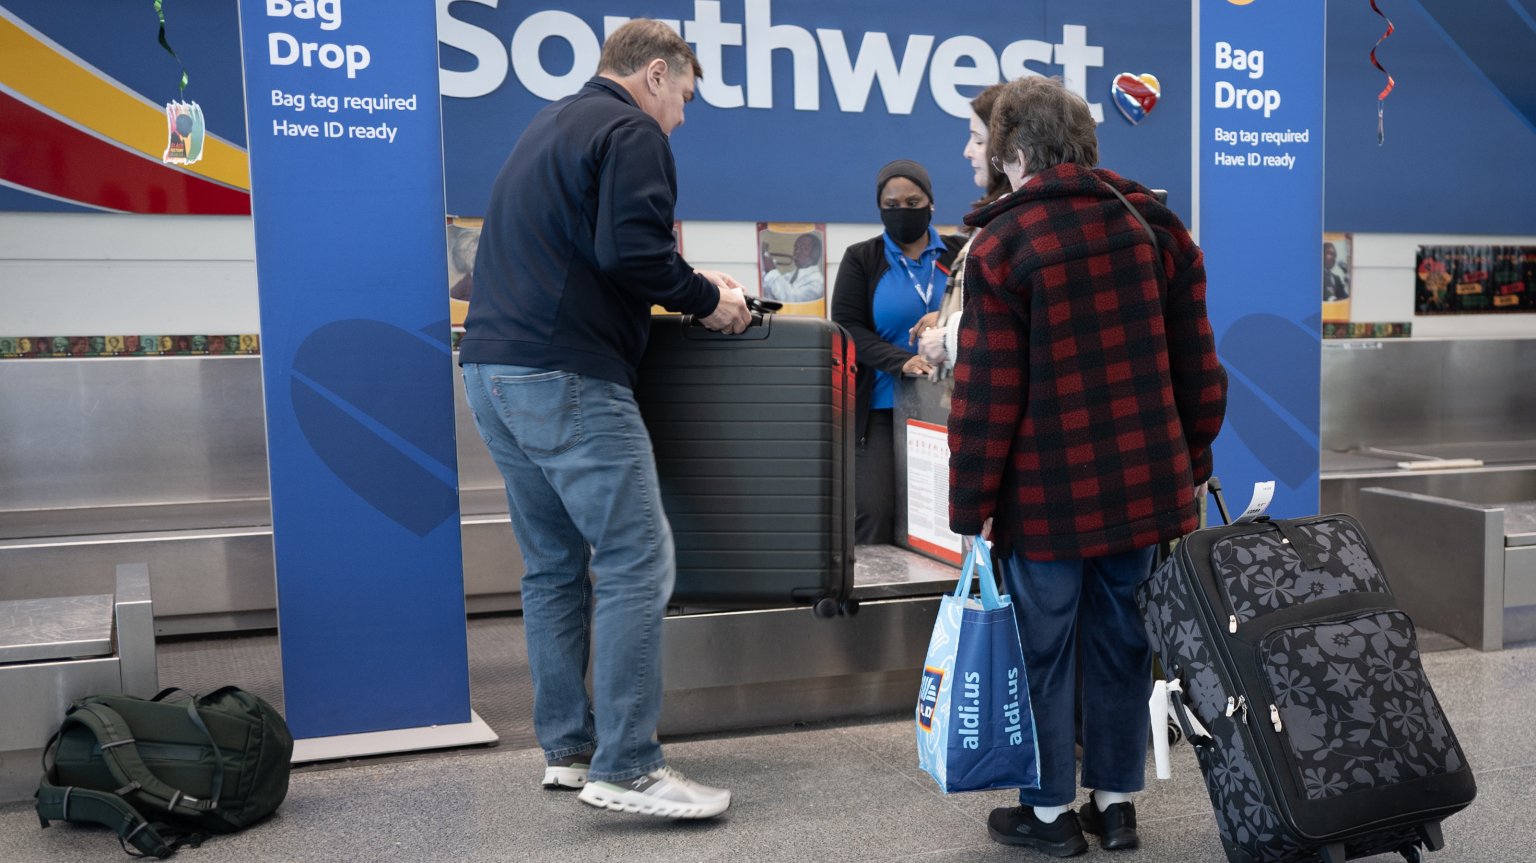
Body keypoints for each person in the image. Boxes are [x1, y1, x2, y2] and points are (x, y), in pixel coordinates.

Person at [458, 19, 751, 821]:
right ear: (656, 73)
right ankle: (630, 764)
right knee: (635, 556)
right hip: (565, 374)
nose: (682, 117)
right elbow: (631, 251)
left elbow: (595, 249)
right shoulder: (631, 129)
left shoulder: (550, 123)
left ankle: (570, 748)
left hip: (490, 370)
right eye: (684, 97)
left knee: (553, 563)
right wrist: (709, 300)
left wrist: (689, 279)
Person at [947, 76, 1228, 856]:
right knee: (1123, 644)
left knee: (1043, 647)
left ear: (1018, 154)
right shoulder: (1155, 226)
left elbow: (987, 394)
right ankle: (1116, 804)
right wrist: (1192, 458)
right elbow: (1198, 367)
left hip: (1046, 500)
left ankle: (1046, 815)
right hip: (1143, 489)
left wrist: (969, 508)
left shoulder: (1004, 244)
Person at [831, 160, 966, 545]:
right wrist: (900, 361)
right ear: (879, 208)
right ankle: (875, 601)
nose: (902, 211)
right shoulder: (863, 258)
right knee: (874, 512)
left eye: (913, 201)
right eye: (891, 204)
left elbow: (984, 311)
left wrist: (944, 314)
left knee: (944, 517)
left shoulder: (959, 254)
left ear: (931, 204)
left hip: (951, 406)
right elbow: (847, 327)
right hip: (880, 408)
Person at [910, 82, 1010, 378]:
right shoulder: (993, 223)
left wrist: (946, 337)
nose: (967, 152)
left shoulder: (1008, 229)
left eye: (979, 141)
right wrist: (947, 319)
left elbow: (1006, 329)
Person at [760, 231, 825, 302]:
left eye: (804, 248)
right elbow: (769, 293)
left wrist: (771, 269)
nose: (797, 251)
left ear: (815, 253)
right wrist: (764, 264)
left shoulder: (817, 281)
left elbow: (791, 299)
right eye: (796, 247)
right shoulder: (790, 276)